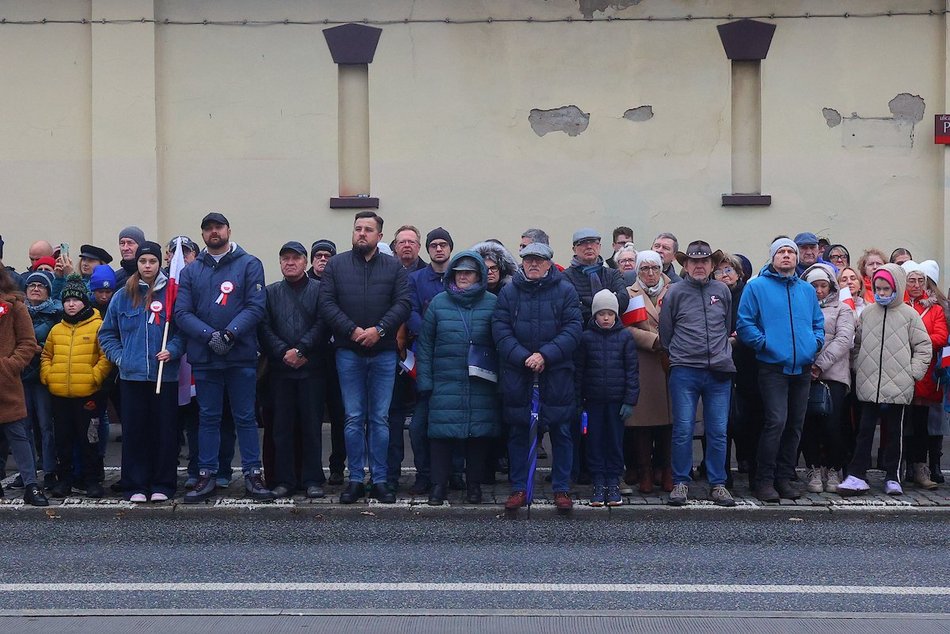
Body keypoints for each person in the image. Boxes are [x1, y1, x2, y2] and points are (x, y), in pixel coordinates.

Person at [176, 212, 273, 503]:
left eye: (218, 227)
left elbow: (256, 307)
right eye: (208, 229)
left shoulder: (249, 264)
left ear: (229, 230)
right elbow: (181, 313)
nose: (213, 232)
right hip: (205, 357)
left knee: (245, 417)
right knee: (208, 417)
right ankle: (207, 474)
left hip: (240, 355)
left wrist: (230, 334)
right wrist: (210, 336)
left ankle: (253, 475)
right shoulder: (191, 271)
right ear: (203, 235)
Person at [319, 211, 411, 505]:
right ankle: (356, 479)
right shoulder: (336, 265)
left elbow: (404, 303)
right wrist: (353, 330)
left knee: (380, 419)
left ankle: (381, 480)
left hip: (383, 353)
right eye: (357, 228)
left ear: (380, 237)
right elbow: (327, 303)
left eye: (368, 229)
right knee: (353, 418)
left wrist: (380, 330)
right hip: (348, 352)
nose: (361, 233)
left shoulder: (394, 268)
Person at [493, 242, 582, 512]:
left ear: (549, 264)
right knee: (519, 431)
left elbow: (573, 328)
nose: (533, 264)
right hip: (518, 374)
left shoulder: (565, 290)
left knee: (562, 431)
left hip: (556, 374)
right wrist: (523, 357)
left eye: (539, 260)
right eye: (529, 259)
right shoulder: (509, 292)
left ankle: (561, 488)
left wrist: (545, 355)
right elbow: (500, 328)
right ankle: (520, 487)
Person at [737, 237, 824, 502]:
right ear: (773, 258)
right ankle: (764, 480)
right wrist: (765, 345)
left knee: (795, 424)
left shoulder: (806, 290)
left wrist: (814, 344)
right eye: (781, 252)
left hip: (802, 368)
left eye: (791, 252)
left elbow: (817, 324)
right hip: (772, 367)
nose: (786, 256)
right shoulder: (757, 287)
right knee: (775, 422)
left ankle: (784, 478)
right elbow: (745, 324)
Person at [98, 241, 184, 502]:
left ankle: (163, 484)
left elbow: (183, 331)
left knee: (164, 432)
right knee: (135, 432)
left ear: (160, 264)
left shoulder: (173, 293)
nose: (148, 266)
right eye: (143, 261)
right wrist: (122, 358)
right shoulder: (123, 295)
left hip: (164, 376)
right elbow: (107, 334)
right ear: (137, 264)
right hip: (132, 377)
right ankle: (135, 484)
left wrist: (172, 349)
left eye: (153, 261)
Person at [415, 251, 501, 505]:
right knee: (441, 436)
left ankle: (474, 486)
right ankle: (438, 487)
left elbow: (500, 342)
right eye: (459, 272)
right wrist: (425, 381)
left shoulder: (493, 303)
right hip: (445, 380)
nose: (463, 276)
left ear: (479, 276)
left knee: (477, 437)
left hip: (481, 382)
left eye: (469, 272)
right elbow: (425, 344)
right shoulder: (438, 303)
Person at [838, 264, 930, 496]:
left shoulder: (909, 315)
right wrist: (859, 365)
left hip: (899, 383)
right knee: (864, 430)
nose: (881, 293)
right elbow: (857, 344)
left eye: (886, 289)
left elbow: (923, 347)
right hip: (869, 382)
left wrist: (912, 373)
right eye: (878, 288)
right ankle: (857, 474)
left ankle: (893, 476)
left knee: (894, 433)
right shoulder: (868, 313)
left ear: (896, 288)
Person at [659, 240, 736, 507]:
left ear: (712, 264)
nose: (699, 265)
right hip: (685, 370)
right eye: (694, 261)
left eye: (704, 261)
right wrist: (682, 356)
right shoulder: (675, 293)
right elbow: (665, 334)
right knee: (682, 429)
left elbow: (726, 327)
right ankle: (681, 481)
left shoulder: (722, 291)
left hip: (718, 371)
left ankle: (718, 484)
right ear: (686, 265)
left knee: (718, 430)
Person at [258, 241, 327, 499]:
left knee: (311, 427)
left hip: (312, 370)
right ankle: (284, 480)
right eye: (285, 258)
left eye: (295, 258)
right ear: (280, 263)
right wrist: (283, 352)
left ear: (305, 262)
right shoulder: (270, 292)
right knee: (281, 428)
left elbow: (323, 323)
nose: (290, 262)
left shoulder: (321, 290)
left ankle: (312, 479)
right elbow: (264, 328)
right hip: (280, 372)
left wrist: (301, 350)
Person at [563, 228, 630, 484]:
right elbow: (570, 305)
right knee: (580, 415)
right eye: (582, 244)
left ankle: (610, 473)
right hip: (579, 350)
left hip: (612, 353)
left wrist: (589, 303)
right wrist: (602, 302)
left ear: (601, 246)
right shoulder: (567, 277)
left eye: (592, 243)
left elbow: (622, 300)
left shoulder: (612, 273)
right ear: (574, 249)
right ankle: (580, 470)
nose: (588, 247)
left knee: (610, 424)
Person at [40, 274, 112, 498]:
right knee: (63, 440)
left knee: (89, 439)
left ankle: (92, 480)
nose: (71, 304)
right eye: (67, 300)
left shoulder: (98, 326)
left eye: (76, 300)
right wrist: (49, 376)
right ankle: (65, 481)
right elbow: (46, 355)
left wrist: (94, 377)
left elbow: (106, 356)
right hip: (60, 394)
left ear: (85, 301)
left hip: (88, 395)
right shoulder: (56, 329)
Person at [403, 227, 455, 494]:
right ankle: (424, 474)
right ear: (428, 249)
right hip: (423, 356)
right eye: (433, 244)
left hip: (453, 358)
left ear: (450, 248)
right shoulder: (415, 279)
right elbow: (409, 310)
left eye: (443, 244)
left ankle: (454, 473)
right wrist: (428, 333)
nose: (438, 249)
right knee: (419, 425)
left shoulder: (458, 276)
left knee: (452, 420)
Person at [575, 289, 639, 507]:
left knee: (614, 441)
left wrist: (630, 400)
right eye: (601, 313)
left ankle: (613, 480)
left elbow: (632, 371)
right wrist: (578, 400)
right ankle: (598, 481)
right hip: (592, 401)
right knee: (594, 442)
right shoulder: (585, 338)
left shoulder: (625, 337)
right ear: (594, 315)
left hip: (616, 402)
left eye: (609, 314)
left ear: (616, 315)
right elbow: (579, 371)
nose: (605, 318)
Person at [800, 263, 855, 494]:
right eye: (814, 286)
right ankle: (813, 467)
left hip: (833, 375)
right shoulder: (800, 307)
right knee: (808, 425)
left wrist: (819, 365)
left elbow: (843, 339)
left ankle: (833, 467)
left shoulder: (843, 309)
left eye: (823, 285)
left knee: (832, 425)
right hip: (804, 373)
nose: (819, 290)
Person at [624, 250, 672, 494]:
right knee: (643, 422)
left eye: (655, 268)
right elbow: (627, 329)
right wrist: (653, 340)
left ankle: (665, 470)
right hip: (644, 361)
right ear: (638, 270)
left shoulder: (674, 290)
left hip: (672, 361)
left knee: (669, 422)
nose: (650, 273)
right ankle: (644, 470)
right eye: (645, 268)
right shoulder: (630, 293)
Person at [0, 264, 47, 506]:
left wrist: (8, 367)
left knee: (18, 436)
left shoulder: (15, 306)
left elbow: (28, 343)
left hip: (7, 383)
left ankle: (31, 485)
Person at [900, 260, 947, 490]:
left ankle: (920, 467)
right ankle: (902, 467)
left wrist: (918, 341)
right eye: (912, 280)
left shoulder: (935, 308)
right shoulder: (900, 306)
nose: (917, 284)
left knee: (920, 423)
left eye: (921, 280)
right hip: (899, 370)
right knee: (901, 422)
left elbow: (941, 335)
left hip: (925, 374)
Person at [306, 239, 347, 484]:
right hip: (311, 358)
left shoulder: (340, 283)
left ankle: (337, 466)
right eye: (318, 256)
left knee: (340, 416)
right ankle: (312, 468)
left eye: (328, 256)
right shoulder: (304, 284)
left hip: (338, 357)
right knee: (311, 417)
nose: (323, 260)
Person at [21, 270, 61, 491]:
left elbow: (59, 344)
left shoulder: (56, 314)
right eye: (31, 285)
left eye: (41, 286)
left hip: (44, 376)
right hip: (22, 375)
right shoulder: (18, 313)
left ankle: (49, 470)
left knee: (46, 426)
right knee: (23, 427)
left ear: (48, 291)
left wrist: (39, 349)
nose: (36, 289)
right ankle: (27, 473)